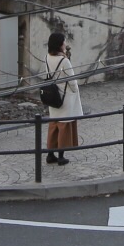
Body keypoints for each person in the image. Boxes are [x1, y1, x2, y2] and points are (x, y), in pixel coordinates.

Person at [43, 30, 82, 165]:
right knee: (64, 126)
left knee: (53, 124)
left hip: (52, 95)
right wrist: (75, 91)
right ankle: (61, 156)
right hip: (64, 97)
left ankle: (50, 154)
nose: (65, 43)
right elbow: (72, 81)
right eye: (64, 41)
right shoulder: (64, 61)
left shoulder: (47, 57)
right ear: (59, 44)